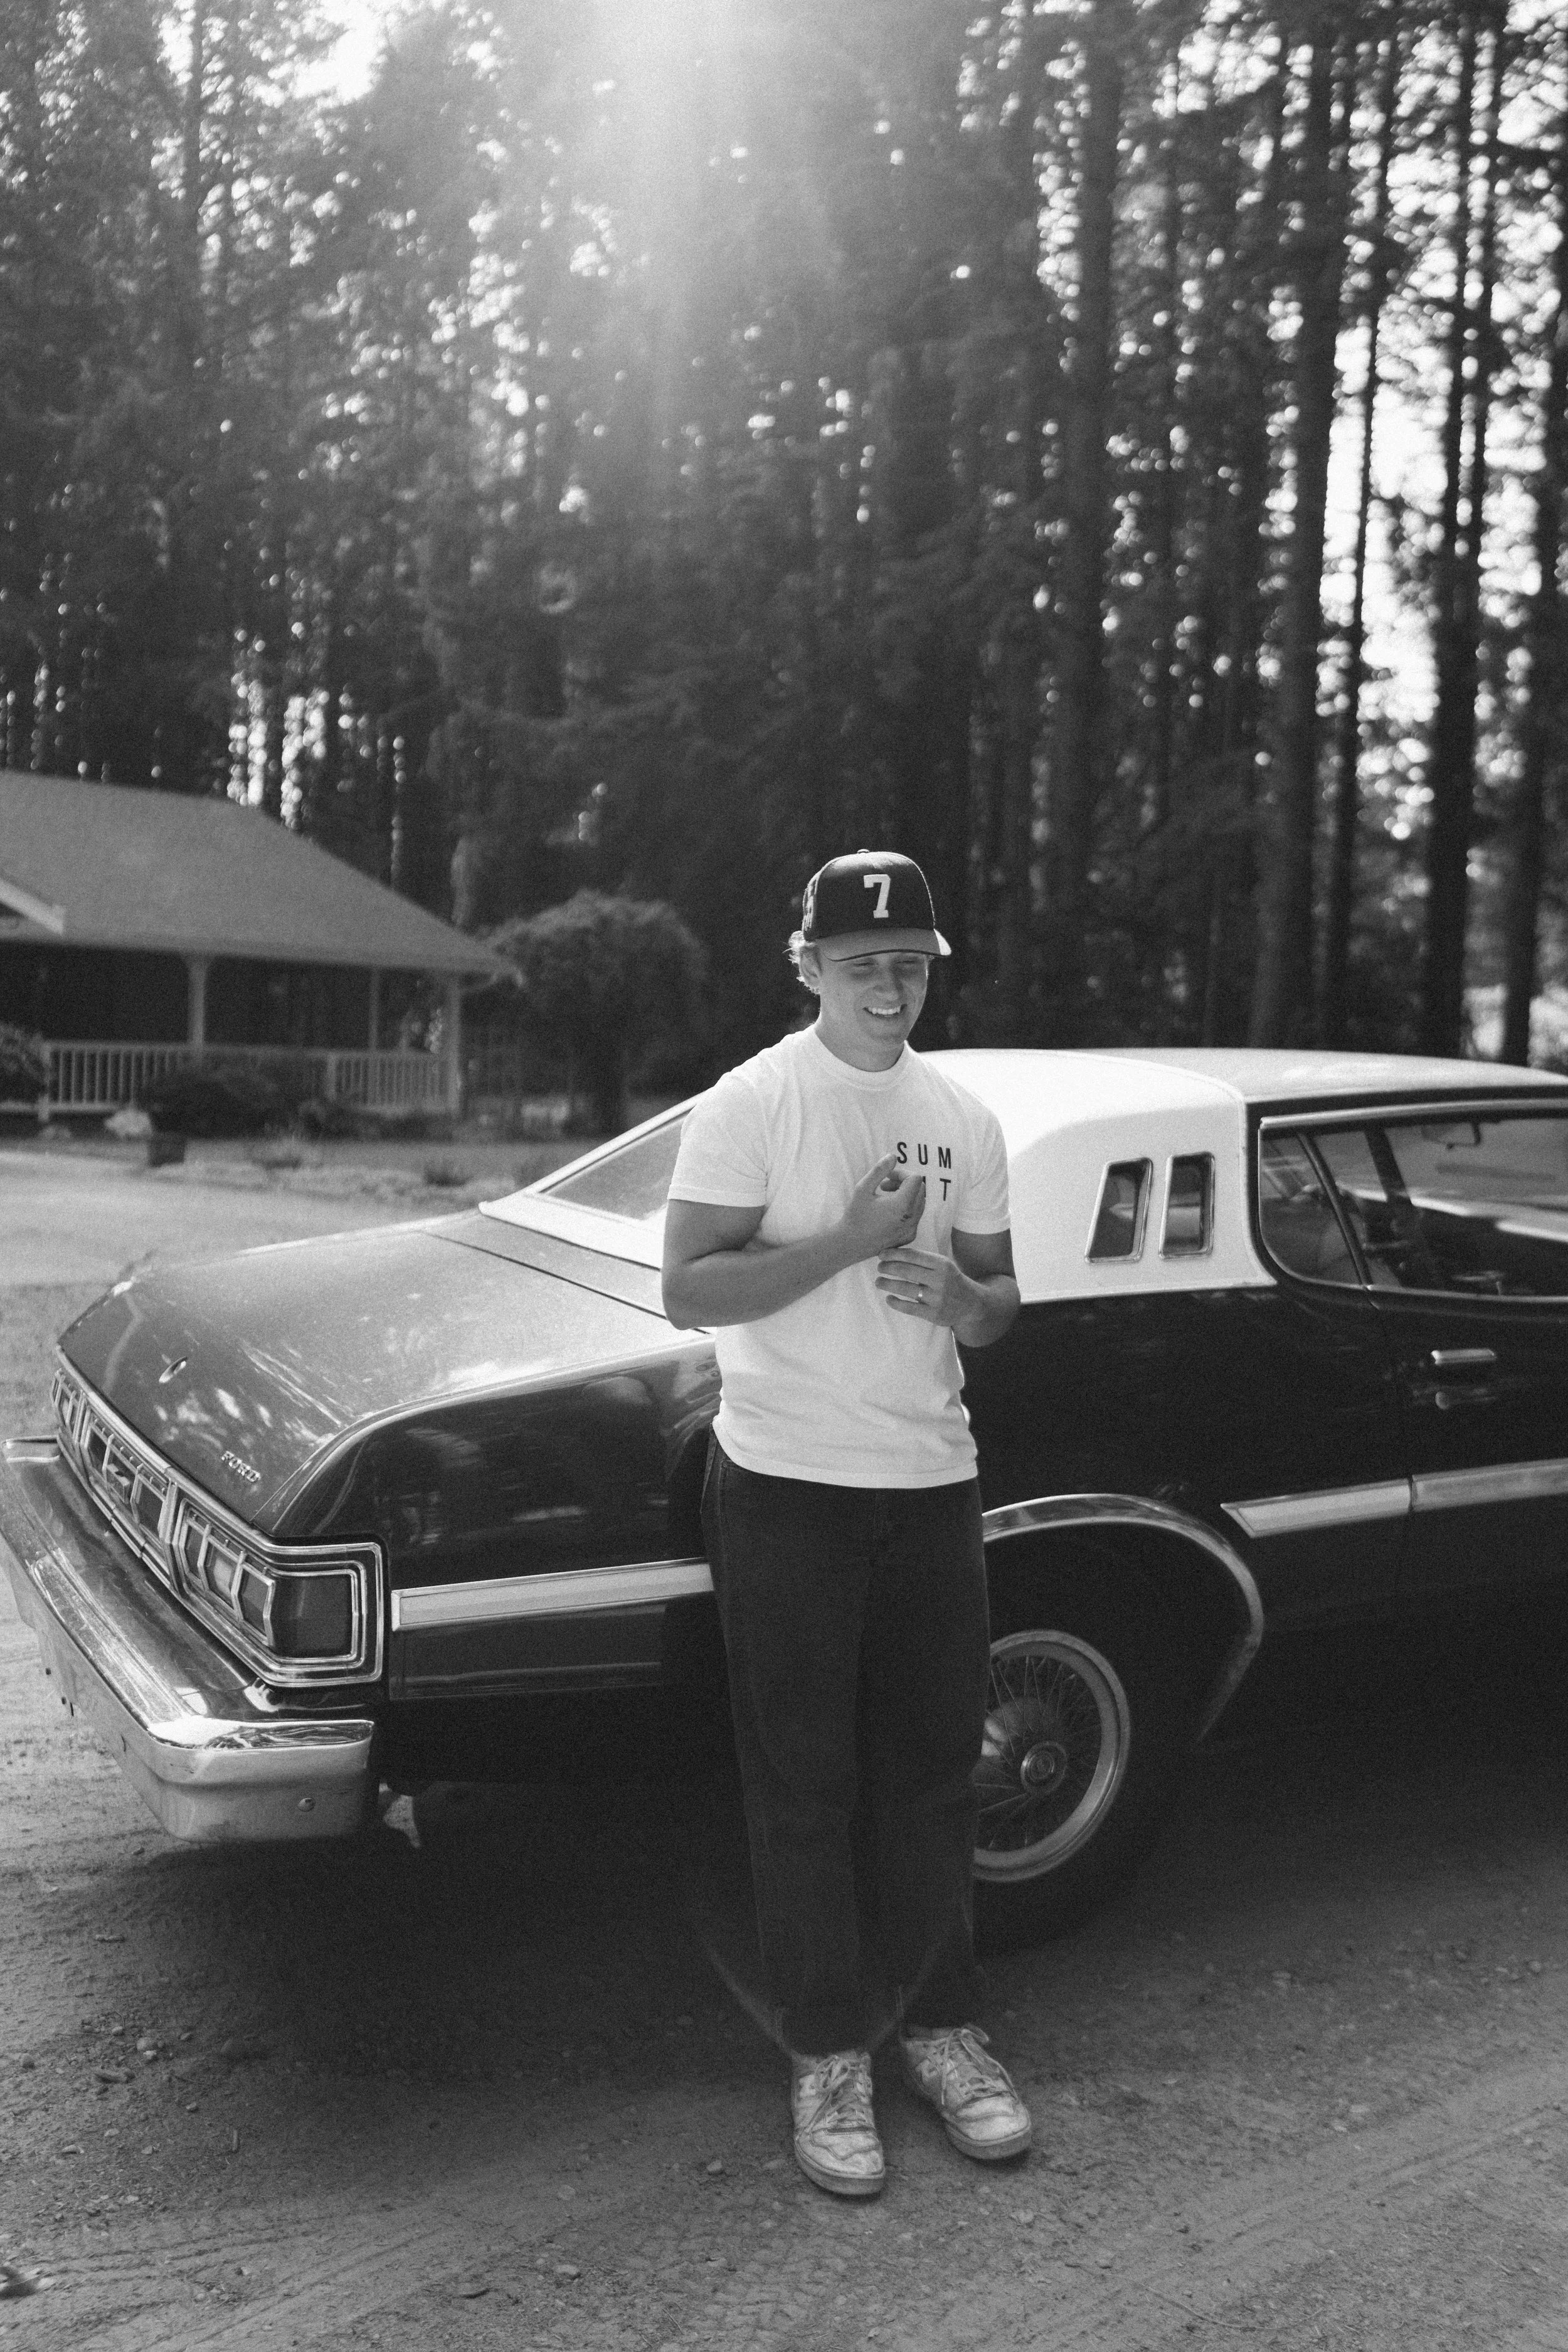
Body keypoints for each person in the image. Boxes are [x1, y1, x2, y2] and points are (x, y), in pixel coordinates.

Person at [661, 848, 1030, 2199]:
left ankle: (943, 2031)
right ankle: (825, 2055)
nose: (893, 983)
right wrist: (840, 1240)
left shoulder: (964, 1117)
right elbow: (687, 1289)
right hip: (785, 1483)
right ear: (807, 965)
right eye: (865, 961)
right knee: (802, 1785)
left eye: (913, 961)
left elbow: (998, 1308)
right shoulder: (751, 1104)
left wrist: (953, 1296)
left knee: (933, 1772)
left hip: (929, 1482)